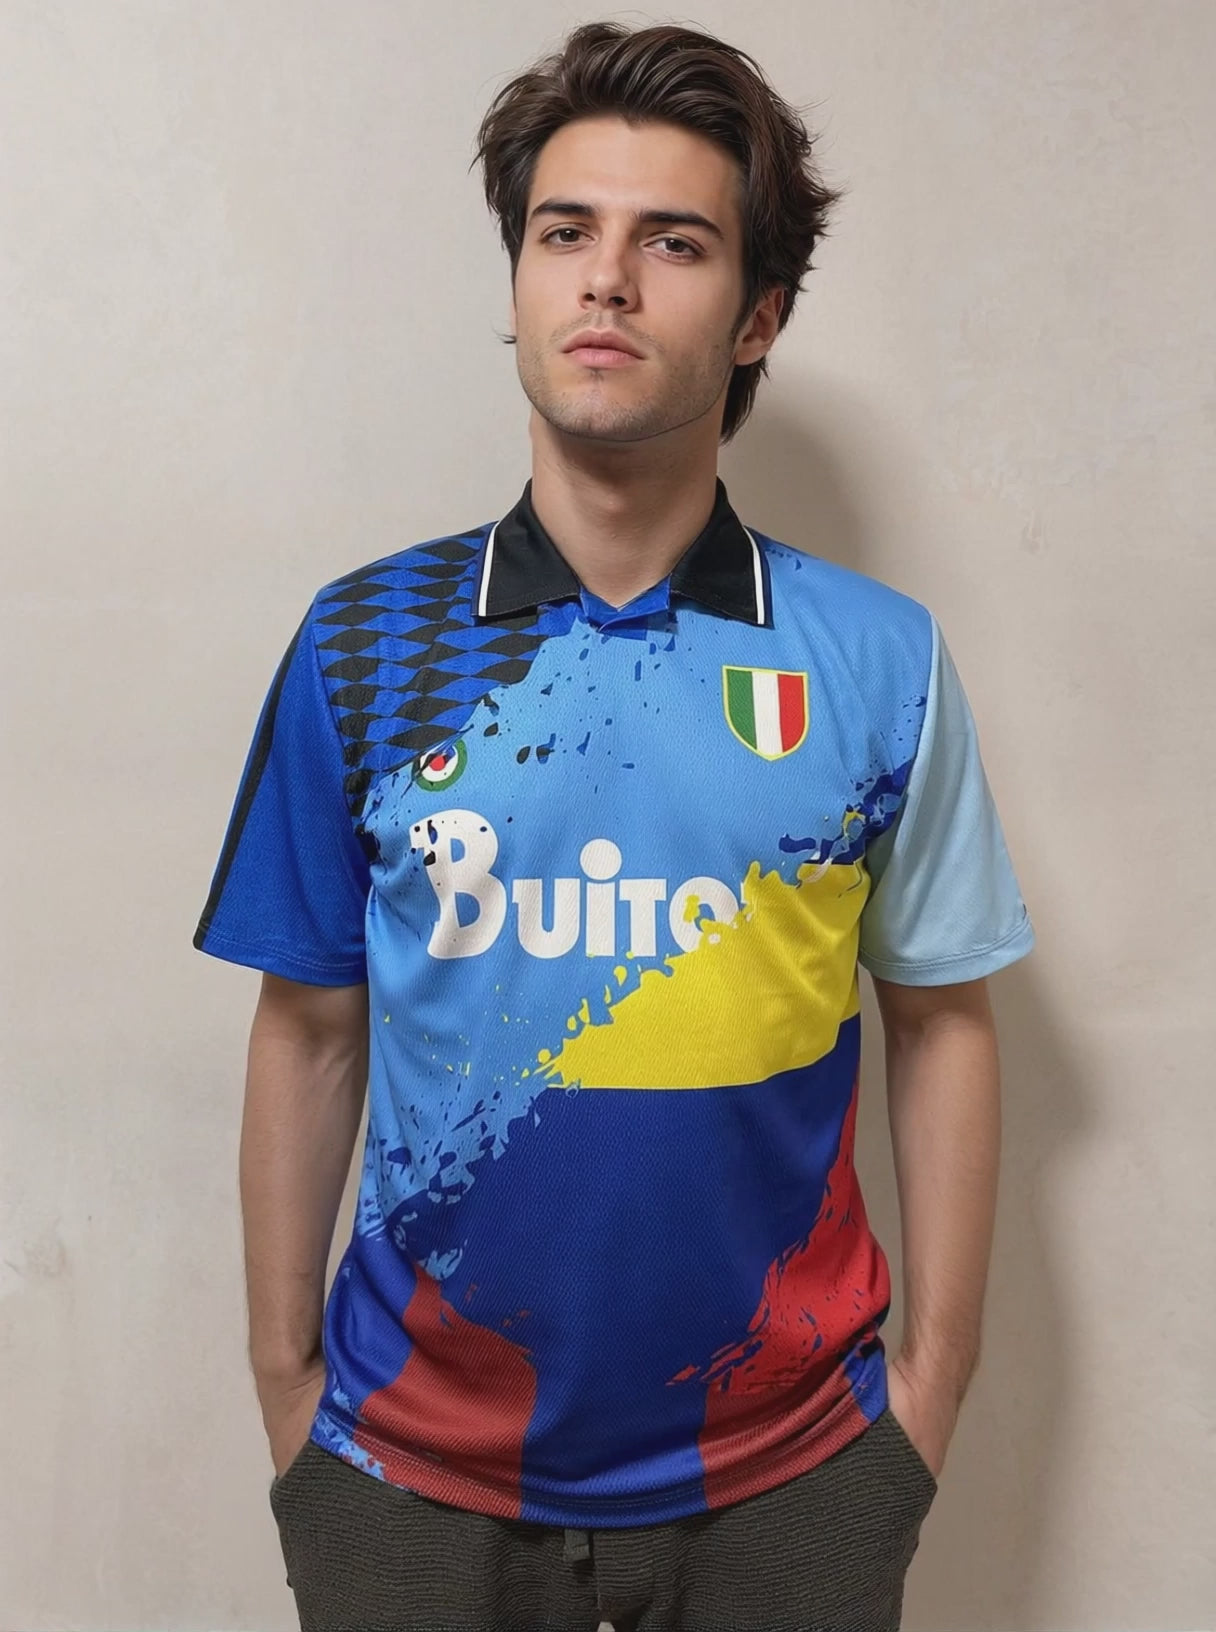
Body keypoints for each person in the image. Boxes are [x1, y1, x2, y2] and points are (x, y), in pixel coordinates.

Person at [194, 20, 1035, 1632]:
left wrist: (926, 1401)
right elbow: (308, 1028)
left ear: (759, 315)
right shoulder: (367, 644)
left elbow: (942, 1022)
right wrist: (290, 1399)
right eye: (563, 231)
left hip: (792, 1484)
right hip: (403, 1482)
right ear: (517, 280)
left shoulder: (879, 662)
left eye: (675, 242)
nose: (606, 279)